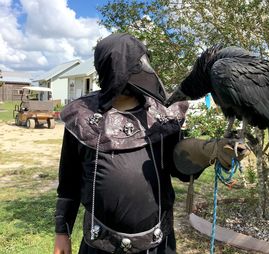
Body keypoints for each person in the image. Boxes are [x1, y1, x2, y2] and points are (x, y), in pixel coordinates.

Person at [53, 33, 249, 254]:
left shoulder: (163, 114)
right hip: (99, 245)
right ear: (114, 68)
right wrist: (62, 233)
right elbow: (68, 182)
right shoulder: (82, 117)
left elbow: (179, 167)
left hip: (157, 245)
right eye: (137, 63)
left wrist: (209, 151)